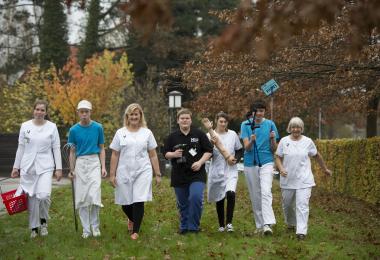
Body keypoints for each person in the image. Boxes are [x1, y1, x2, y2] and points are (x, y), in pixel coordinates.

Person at [109, 103, 162, 240]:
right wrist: (112, 174)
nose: (134, 117)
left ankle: (135, 231)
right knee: (125, 203)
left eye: (136, 114)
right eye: (131, 114)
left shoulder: (147, 133)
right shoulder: (120, 133)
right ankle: (132, 219)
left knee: (139, 199)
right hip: (124, 171)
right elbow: (115, 154)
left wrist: (157, 174)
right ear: (128, 116)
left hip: (143, 170)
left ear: (140, 116)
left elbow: (153, 154)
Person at [11, 100, 62, 238]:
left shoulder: (52, 127)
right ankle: (34, 227)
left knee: (44, 196)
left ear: (46, 112)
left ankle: (43, 221)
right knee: (32, 198)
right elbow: (21, 147)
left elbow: (56, 148)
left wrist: (59, 168)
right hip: (28, 167)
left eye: (42, 110)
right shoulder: (25, 126)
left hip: (45, 166)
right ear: (33, 110)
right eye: (37, 109)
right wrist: (16, 167)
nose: (39, 112)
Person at [275, 117, 332, 240]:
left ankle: (301, 231)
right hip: (288, 179)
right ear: (290, 128)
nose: (296, 129)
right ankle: (291, 223)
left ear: (302, 129)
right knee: (287, 204)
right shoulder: (284, 141)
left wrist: (325, 169)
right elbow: (278, 157)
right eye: (293, 127)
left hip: (304, 179)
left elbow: (316, 156)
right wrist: (281, 168)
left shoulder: (308, 141)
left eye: (298, 127)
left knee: (302, 205)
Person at [164, 108, 213, 234]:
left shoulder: (199, 134)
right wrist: (174, 154)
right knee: (183, 203)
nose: (184, 120)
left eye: (187, 118)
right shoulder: (172, 137)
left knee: (195, 198)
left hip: (197, 174)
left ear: (191, 120)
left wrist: (200, 162)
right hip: (179, 175)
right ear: (178, 121)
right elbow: (165, 154)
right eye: (182, 118)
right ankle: (184, 226)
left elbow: (209, 151)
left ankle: (193, 227)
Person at [67, 100, 107, 239]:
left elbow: (102, 148)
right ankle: (86, 229)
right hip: (80, 162)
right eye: (81, 111)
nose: (84, 114)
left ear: (90, 112)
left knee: (95, 195)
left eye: (86, 111)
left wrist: (103, 166)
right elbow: (72, 152)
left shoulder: (98, 127)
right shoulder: (73, 130)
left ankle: (95, 227)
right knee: (82, 197)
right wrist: (71, 170)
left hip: (94, 161)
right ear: (78, 113)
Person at [240, 99, 279, 235]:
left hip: (267, 162)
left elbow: (274, 149)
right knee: (255, 195)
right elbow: (246, 147)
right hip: (250, 163)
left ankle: (267, 224)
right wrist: (251, 140)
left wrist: (273, 139)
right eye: (256, 111)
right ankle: (260, 225)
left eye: (262, 111)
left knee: (266, 191)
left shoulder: (270, 124)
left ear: (264, 112)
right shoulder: (245, 125)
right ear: (252, 112)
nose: (259, 114)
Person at [205, 112, 243, 232]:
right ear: (216, 121)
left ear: (227, 123)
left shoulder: (232, 134)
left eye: (225, 122)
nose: (223, 124)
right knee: (219, 196)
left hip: (230, 169)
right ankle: (221, 225)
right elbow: (207, 154)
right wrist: (211, 146)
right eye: (221, 121)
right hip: (216, 168)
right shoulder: (209, 135)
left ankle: (229, 223)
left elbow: (239, 149)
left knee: (231, 193)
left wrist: (235, 159)